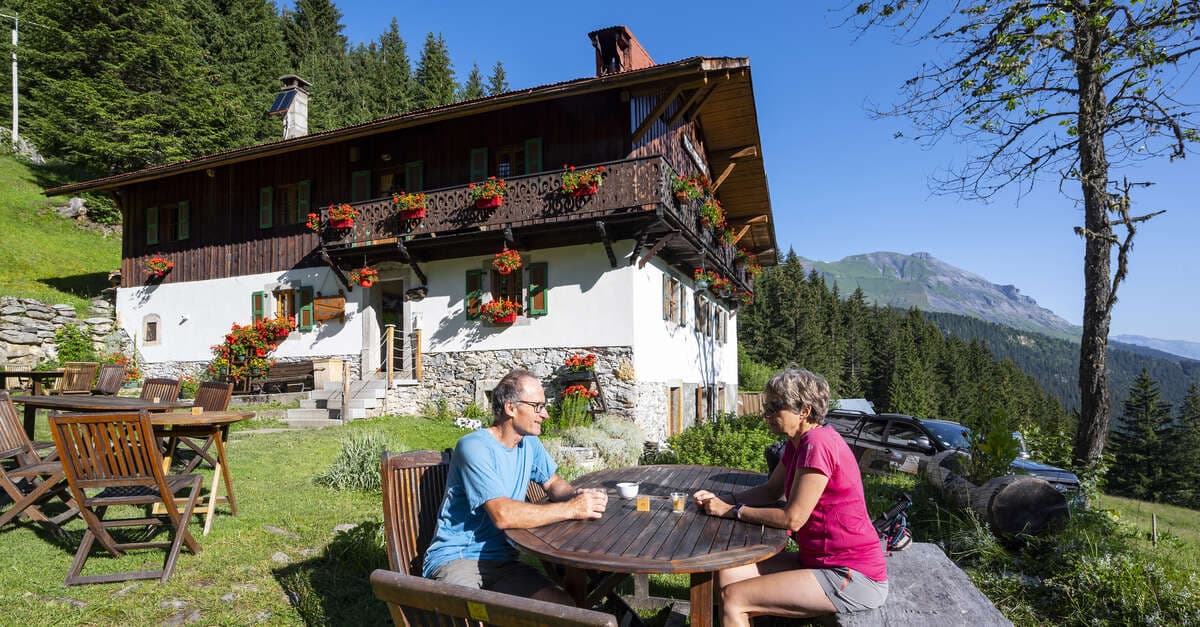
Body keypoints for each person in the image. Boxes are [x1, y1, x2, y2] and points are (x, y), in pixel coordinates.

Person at [692, 367, 887, 626]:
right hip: (818, 560)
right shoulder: (798, 443)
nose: (766, 415)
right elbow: (771, 490)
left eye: (775, 407)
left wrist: (730, 510)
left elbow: (792, 518)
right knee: (727, 572)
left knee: (735, 598)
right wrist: (724, 498)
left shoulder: (818, 444)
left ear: (804, 411)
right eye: (766, 407)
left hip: (851, 575)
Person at [421, 369, 608, 604]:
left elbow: (552, 482)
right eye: (537, 406)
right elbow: (503, 515)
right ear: (510, 408)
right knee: (472, 617)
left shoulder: (529, 443)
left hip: (504, 562)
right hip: (458, 559)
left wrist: (576, 495)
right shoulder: (474, 447)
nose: (546, 414)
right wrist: (572, 509)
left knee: (567, 610)